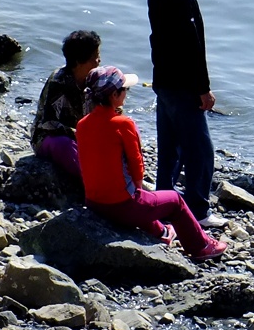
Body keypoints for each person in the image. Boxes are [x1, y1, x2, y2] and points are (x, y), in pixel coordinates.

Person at [76, 66, 227, 261]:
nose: (127, 93)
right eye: (125, 89)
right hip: (121, 207)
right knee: (175, 201)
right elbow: (137, 166)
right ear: (114, 95)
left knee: (143, 201)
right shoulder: (123, 123)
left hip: (94, 203)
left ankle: (162, 232)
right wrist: (138, 195)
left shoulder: (82, 124)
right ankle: (201, 247)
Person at [148, 0, 224, 228]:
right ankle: (199, 209)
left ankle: (163, 201)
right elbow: (192, 47)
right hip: (183, 85)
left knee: (169, 147)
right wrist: (203, 89)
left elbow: (157, 41)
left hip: (163, 80)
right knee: (201, 150)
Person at [30, 29, 101, 176]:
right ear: (79, 61)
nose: (98, 61)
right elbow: (49, 123)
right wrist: (79, 134)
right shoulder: (59, 82)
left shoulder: (92, 81)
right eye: (95, 57)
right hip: (51, 137)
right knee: (64, 145)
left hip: (82, 138)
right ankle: (94, 180)